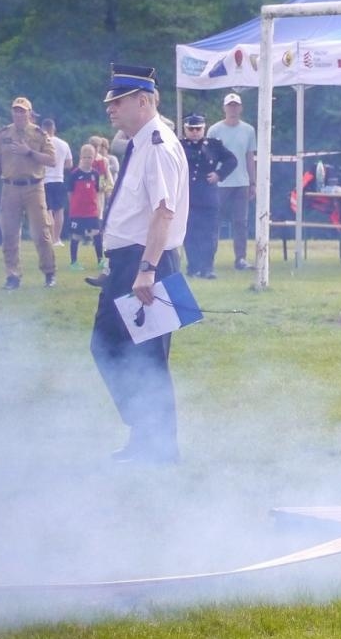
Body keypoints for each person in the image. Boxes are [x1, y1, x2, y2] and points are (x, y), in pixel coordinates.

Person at [91, 64, 190, 464]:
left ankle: (160, 447)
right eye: (110, 103)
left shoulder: (159, 145)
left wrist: (146, 268)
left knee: (147, 358)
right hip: (130, 262)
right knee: (108, 345)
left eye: (119, 102)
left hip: (148, 261)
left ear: (144, 100)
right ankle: (146, 433)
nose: (111, 110)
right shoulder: (141, 144)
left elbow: (163, 213)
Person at [0, 96, 59, 289]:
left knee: (41, 232)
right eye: (15, 110)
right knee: (9, 233)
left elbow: (52, 160)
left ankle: (49, 273)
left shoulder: (39, 134)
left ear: (29, 113)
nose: (18, 114)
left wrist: (29, 152)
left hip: (34, 187)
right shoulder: (3, 134)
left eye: (22, 110)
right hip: (9, 188)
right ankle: (13, 276)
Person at [181, 113, 237, 278]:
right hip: (188, 196)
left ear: (204, 128)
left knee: (210, 233)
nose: (195, 132)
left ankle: (207, 268)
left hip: (208, 196)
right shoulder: (179, 145)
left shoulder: (213, 145)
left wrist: (219, 174)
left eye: (198, 128)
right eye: (191, 129)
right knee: (190, 233)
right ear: (185, 129)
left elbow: (232, 160)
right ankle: (193, 267)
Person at [208, 92, 257, 271]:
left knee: (241, 222)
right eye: (230, 106)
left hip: (241, 182)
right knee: (214, 220)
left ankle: (241, 259)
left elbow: (249, 157)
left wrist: (253, 182)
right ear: (224, 108)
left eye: (236, 106)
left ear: (241, 108)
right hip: (220, 183)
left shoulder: (249, 130)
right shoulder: (214, 130)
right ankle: (208, 258)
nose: (233, 109)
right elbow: (209, 158)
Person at [66, 143, 106, 270]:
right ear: (81, 157)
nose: (88, 160)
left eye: (90, 157)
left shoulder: (95, 174)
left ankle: (100, 260)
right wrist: (73, 205)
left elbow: (97, 191)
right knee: (76, 236)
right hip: (77, 211)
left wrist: (98, 206)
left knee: (96, 233)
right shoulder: (75, 174)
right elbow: (70, 193)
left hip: (91, 210)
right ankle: (74, 262)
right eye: (85, 157)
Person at [39, 114, 73, 246]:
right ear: (54, 128)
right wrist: (59, 166)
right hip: (59, 179)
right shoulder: (64, 144)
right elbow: (69, 164)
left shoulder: (42, 143)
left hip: (44, 179)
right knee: (59, 210)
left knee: (47, 210)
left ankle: (48, 237)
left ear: (43, 129)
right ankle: (57, 238)